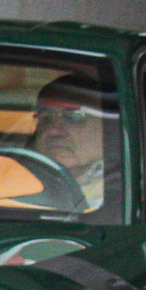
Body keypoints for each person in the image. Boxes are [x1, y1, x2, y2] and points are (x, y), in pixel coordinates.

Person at [27, 75, 121, 211]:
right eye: (46, 117)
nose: (53, 130)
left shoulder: (126, 186)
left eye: (73, 117)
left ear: (108, 129)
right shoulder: (16, 174)